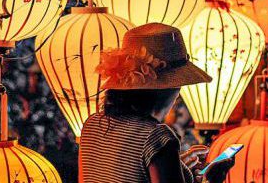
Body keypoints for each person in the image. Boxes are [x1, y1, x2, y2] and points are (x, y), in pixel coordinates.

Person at [79, 23, 234, 183]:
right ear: (167, 89)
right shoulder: (157, 137)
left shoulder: (91, 125)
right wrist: (213, 179)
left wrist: (178, 168)